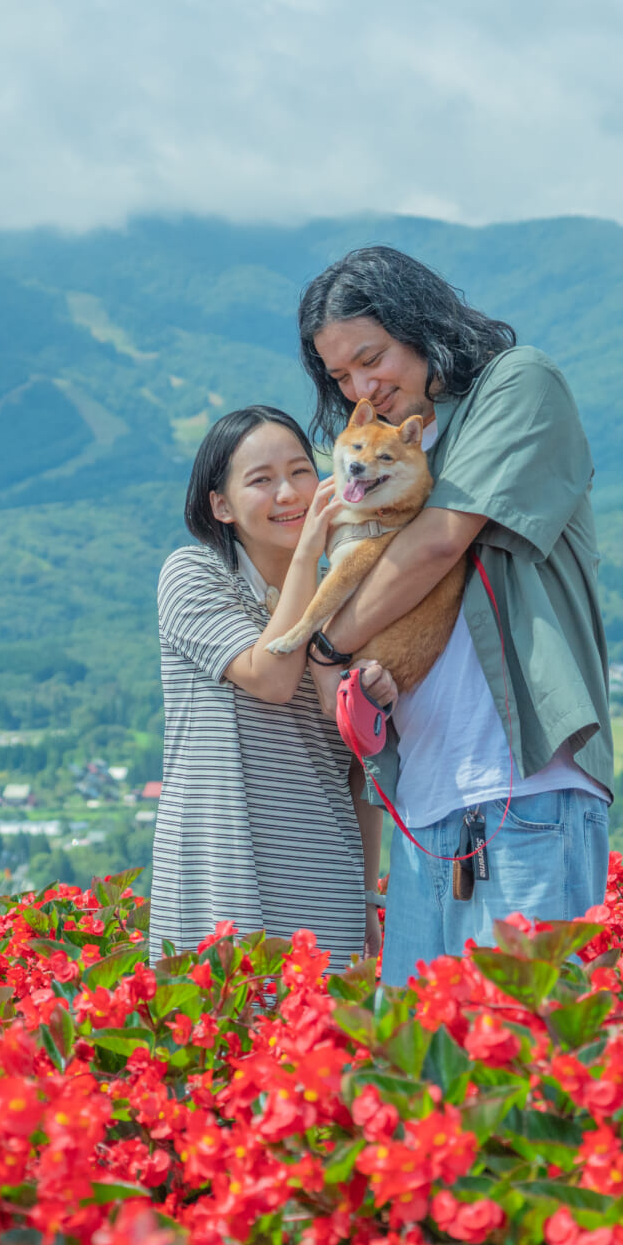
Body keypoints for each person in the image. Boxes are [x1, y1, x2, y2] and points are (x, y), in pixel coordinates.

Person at [295, 247, 613, 987]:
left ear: (421, 324)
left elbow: (440, 541)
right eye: (340, 377)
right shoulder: (389, 449)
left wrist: (323, 644)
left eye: (372, 359)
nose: (360, 387)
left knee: (523, 1064)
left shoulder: (518, 385)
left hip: (524, 791)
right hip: (424, 809)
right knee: (429, 1079)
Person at [149, 405, 388, 966]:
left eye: (301, 471)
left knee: (316, 1049)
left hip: (322, 875)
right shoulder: (194, 575)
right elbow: (273, 676)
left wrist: (364, 889)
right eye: (261, 480)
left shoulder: (349, 599)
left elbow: (364, 763)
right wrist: (311, 548)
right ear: (221, 505)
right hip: (216, 870)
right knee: (217, 1043)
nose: (289, 493)